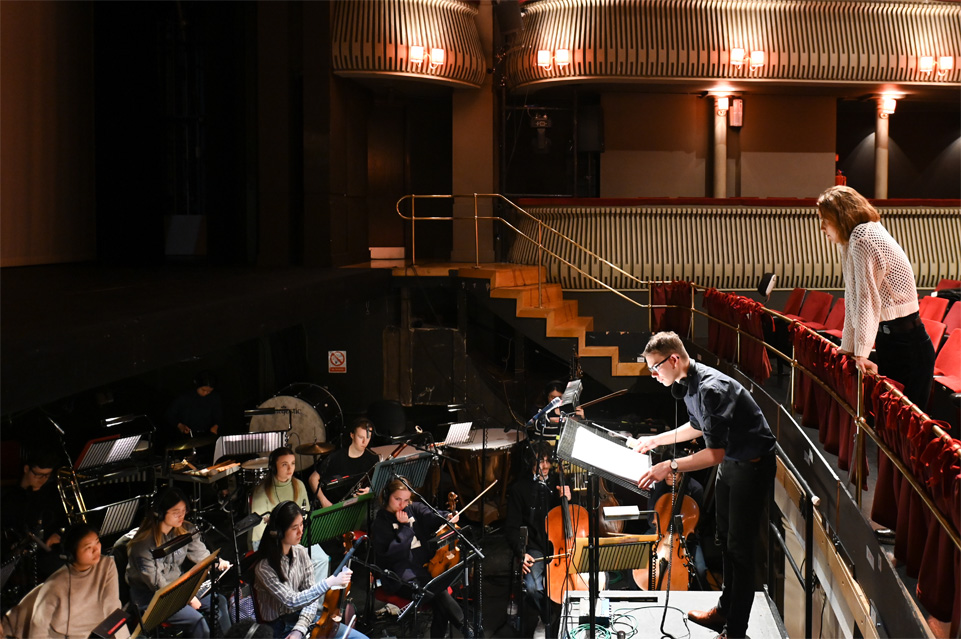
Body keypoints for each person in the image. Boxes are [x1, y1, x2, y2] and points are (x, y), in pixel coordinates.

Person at [634, 331, 776, 639]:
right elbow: (698, 426)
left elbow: (714, 453)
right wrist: (656, 440)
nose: (654, 374)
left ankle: (735, 632)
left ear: (674, 359)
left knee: (740, 553)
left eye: (655, 367)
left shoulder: (711, 388)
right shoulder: (688, 384)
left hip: (751, 468)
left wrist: (668, 466)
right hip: (732, 465)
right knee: (724, 540)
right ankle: (725, 611)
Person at [815, 185, 936, 406]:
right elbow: (852, 297)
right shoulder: (852, 239)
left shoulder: (863, 237)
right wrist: (849, 347)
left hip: (908, 344)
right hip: (891, 340)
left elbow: (866, 300)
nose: (821, 227)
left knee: (904, 428)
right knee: (890, 426)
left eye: (825, 219)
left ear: (841, 216)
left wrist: (861, 353)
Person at [369, 478, 473, 639]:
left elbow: (431, 516)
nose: (402, 504)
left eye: (406, 500)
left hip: (424, 569)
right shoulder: (380, 524)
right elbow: (395, 555)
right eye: (397, 499)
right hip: (399, 577)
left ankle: (465, 629)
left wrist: (447, 516)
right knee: (440, 592)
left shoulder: (413, 509)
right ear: (387, 496)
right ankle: (467, 628)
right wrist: (405, 527)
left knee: (440, 594)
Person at [252, 500, 368, 639]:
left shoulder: (301, 552)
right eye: (295, 527)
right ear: (279, 532)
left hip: (303, 618)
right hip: (278, 627)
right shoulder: (264, 568)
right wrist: (329, 582)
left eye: (302, 524)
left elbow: (311, 598)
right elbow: (292, 600)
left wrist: (300, 628)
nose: (301, 531)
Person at [126, 488, 231, 638]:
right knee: (197, 620)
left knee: (218, 601)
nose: (181, 515)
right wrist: (186, 599)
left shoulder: (186, 529)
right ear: (160, 513)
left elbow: (201, 556)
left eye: (183, 510)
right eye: (176, 511)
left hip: (179, 586)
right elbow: (157, 584)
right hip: (152, 597)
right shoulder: (142, 545)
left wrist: (217, 563)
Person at [503, 441, 571, 638]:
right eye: (540, 461)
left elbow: (573, 517)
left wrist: (567, 499)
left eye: (548, 461)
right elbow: (511, 528)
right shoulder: (519, 489)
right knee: (533, 588)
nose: (545, 466)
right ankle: (547, 616)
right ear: (531, 463)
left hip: (562, 546)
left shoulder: (559, 481)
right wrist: (521, 554)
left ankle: (567, 615)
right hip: (535, 546)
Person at [28, 522, 131, 638]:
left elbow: (112, 606)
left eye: (97, 542)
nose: (96, 550)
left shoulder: (107, 565)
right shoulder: (57, 583)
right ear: (72, 554)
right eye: (88, 547)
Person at [250, 447, 330, 585]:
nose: (290, 469)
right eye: (284, 464)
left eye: (292, 463)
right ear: (273, 467)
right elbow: (260, 527)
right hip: (274, 539)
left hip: (296, 537)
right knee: (286, 569)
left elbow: (305, 515)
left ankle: (313, 604)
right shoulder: (261, 491)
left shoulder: (298, 485)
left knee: (322, 559)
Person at [1, 447, 67, 582]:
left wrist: (58, 534)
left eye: (47, 475)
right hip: (29, 557)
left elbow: (63, 520)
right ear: (26, 469)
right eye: (38, 474)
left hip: (54, 550)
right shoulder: (10, 499)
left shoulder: (51, 493)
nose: (42, 479)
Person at [307, 418, 378, 508]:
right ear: (352, 435)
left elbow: (378, 484)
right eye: (360, 437)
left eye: (368, 437)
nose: (364, 442)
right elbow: (313, 479)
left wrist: (370, 490)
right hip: (336, 507)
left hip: (360, 507)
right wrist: (324, 501)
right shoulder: (336, 457)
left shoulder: (373, 458)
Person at [167, 370, 223, 437]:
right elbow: (170, 414)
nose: (206, 393)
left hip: (207, 434)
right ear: (197, 385)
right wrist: (180, 425)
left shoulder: (214, 397)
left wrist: (216, 425)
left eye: (209, 391)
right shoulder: (185, 396)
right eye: (203, 390)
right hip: (187, 435)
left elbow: (218, 414)